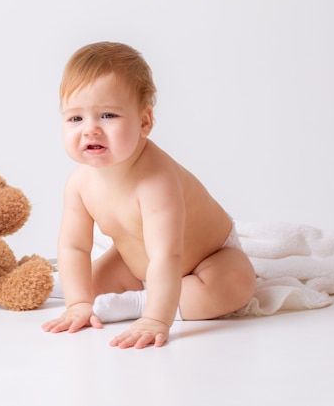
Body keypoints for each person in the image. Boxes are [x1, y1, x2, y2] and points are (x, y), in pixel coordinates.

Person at [41, 41, 256, 349]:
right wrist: (77, 303)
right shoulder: (79, 183)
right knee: (85, 285)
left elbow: (167, 255)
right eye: (76, 118)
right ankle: (69, 292)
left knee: (236, 286)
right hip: (135, 261)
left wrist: (156, 318)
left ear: (144, 122)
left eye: (107, 116)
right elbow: (74, 247)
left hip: (207, 259)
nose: (90, 130)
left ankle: (138, 304)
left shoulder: (156, 181)